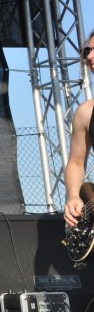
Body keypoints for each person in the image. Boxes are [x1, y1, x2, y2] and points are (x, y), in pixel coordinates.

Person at [65, 31, 94, 228]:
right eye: (87, 51)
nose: (89, 56)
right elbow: (76, 162)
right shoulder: (86, 112)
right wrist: (74, 195)